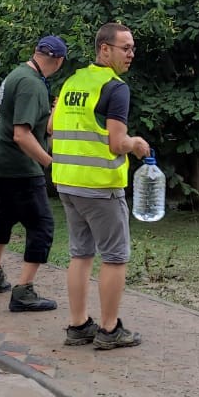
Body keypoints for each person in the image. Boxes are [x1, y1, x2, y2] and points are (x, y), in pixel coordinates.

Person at [53, 22, 152, 351]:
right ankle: (109, 330)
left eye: (133, 48)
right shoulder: (115, 88)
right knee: (115, 257)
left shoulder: (73, 81)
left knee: (80, 254)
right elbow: (115, 142)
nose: (131, 54)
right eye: (125, 48)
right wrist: (135, 143)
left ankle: (77, 325)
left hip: (67, 183)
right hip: (99, 186)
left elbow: (53, 125)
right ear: (104, 49)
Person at [0, 36, 67, 312]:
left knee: (5, 215)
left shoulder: (18, 74)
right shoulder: (31, 84)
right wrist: (49, 162)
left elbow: (33, 124)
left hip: (2, 159)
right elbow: (22, 134)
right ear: (60, 61)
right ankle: (24, 292)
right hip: (21, 165)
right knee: (42, 225)